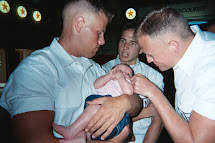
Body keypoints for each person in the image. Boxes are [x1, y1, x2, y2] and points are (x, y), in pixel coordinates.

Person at [0, 0, 142, 143]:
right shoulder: (36, 69)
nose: (102, 41)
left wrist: (125, 102)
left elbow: (137, 104)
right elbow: (35, 139)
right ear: (79, 24)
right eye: (99, 33)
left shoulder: (95, 68)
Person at [132, 6, 215, 143]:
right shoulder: (189, 47)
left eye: (151, 54)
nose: (148, 60)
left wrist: (153, 92)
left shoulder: (210, 69)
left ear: (173, 46)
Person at [102, 22, 164, 143]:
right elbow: (100, 115)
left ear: (141, 49)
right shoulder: (103, 71)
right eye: (123, 41)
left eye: (133, 43)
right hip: (109, 138)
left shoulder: (153, 76)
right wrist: (146, 112)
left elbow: (158, 120)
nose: (125, 47)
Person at [53, 64, 134, 142]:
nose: (122, 73)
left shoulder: (126, 83)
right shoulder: (108, 79)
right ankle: (80, 139)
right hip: (95, 116)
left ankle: (70, 130)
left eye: (127, 74)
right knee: (82, 126)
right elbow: (96, 85)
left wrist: (121, 78)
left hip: (115, 118)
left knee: (92, 108)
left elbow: (129, 92)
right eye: (119, 70)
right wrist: (109, 76)